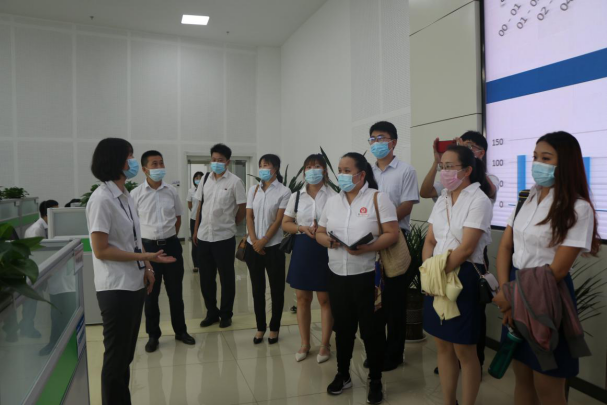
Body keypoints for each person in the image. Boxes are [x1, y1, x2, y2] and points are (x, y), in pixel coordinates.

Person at [493, 132, 601, 405]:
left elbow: (558, 270)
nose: (537, 163)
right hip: (515, 287)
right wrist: (506, 292)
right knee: (522, 377)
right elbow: (505, 247)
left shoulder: (578, 208)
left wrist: (511, 296)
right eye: (535, 157)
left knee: (548, 384)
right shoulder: (525, 198)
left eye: (546, 158)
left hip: (548, 295)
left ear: (565, 163)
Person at [86, 138, 175, 405]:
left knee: (124, 356)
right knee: (116, 360)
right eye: (129, 156)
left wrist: (146, 267)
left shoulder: (124, 195)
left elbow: (133, 238)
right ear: (115, 160)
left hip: (133, 283)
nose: (133, 162)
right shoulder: (101, 199)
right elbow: (101, 250)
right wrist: (145, 257)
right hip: (116, 288)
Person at [316, 152, 400, 405]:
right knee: (343, 328)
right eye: (339, 170)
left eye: (347, 170)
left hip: (368, 276)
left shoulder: (378, 198)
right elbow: (320, 231)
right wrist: (328, 240)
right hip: (337, 274)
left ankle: (375, 379)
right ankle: (343, 374)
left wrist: (368, 247)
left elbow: (392, 233)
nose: (341, 175)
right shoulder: (333, 201)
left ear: (361, 174)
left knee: (372, 330)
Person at [420, 130, 499, 372]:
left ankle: (474, 362)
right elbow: (430, 237)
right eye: (443, 167)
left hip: (466, 265)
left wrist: (436, 271)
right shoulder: (445, 196)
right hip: (438, 267)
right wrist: (429, 269)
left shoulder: (483, 189)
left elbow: (466, 248)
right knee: (442, 342)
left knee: (466, 340)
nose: (445, 171)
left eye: (450, 166)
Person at [131, 150, 195, 353]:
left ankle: (181, 331)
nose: (159, 167)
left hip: (171, 245)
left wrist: (169, 237)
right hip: (148, 248)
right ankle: (153, 335)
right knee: (151, 294)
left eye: (161, 163)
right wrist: (145, 252)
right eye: (154, 164)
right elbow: (134, 227)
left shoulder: (171, 191)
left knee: (176, 292)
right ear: (144, 169)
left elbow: (178, 218)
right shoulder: (136, 194)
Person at [368, 121, 420, 372]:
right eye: (373, 139)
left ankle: (395, 352)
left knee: (395, 301)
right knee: (374, 300)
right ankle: (376, 350)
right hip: (370, 242)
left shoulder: (406, 170)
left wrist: (383, 225)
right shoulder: (366, 172)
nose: (376, 143)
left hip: (396, 240)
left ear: (394, 142)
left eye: (382, 138)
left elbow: (407, 205)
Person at [282, 154, 336, 363]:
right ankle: (305, 343)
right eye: (308, 167)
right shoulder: (296, 196)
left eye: (317, 166)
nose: (312, 170)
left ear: (325, 171)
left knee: (325, 299)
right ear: (304, 171)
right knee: (302, 298)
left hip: (325, 248)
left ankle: (325, 344)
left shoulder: (334, 196)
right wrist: (301, 228)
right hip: (303, 247)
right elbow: (286, 223)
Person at [194, 144, 247, 329]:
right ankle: (211, 313)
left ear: (228, 162)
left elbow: (242, 209)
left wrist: (231, 223)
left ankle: (226, 314)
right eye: (214, 159)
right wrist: (195, 230)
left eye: (220, 160)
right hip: (204, 236)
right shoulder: (205, 179)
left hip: (224, 237)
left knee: (226, 278)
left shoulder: (235, 182)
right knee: (206, 278)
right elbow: (200, 206)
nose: (216, 163)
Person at [246, 154, 291, 345]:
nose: (263, 169)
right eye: (261, 165)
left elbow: (279, 220)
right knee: (257, 289)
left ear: (276, 168)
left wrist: (264, 240)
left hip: (274, 247)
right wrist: (254, 240)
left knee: (276, 289)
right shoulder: (253, 189)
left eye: (267, 165)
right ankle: (260, 327)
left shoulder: (284, 191)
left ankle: (274, 327)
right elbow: (249, 216)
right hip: (253, 247)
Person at [187, 172, 204, 273]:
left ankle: (203, 263)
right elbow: (189, 204)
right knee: (195, 242)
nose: (198, 179)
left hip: (204, 219)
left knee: (204, 242)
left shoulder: (206, 189)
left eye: (200, 178)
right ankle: (196, 264)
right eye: (196, 178)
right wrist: (194, 212)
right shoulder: (191, 191)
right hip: (194, 219)